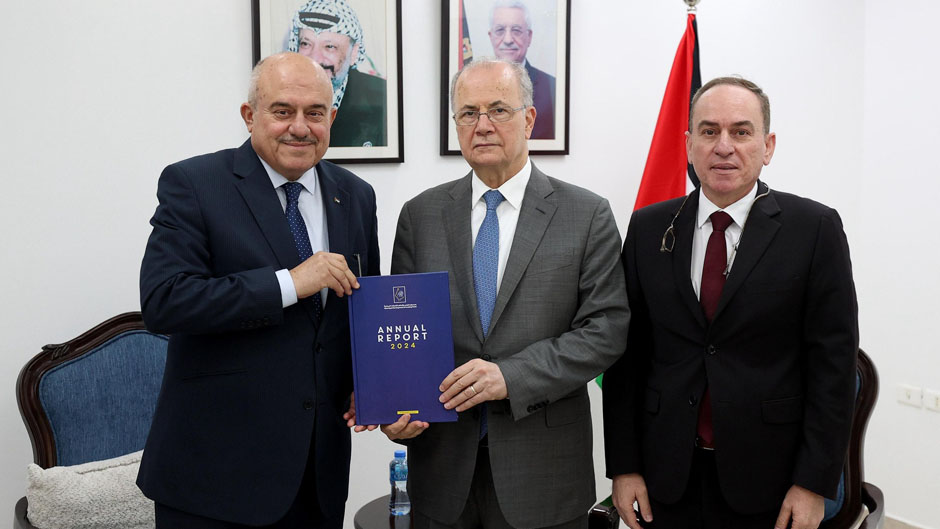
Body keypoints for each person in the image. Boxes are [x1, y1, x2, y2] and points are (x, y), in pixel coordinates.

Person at [381, 57, 630, 529]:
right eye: (468, 113)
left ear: (529, 119)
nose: (482, 125)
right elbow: (403, 335)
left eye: (498, 109)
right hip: (441, 472)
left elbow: (605, 331)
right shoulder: (420, 215)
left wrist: (510, 376)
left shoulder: (586, 214)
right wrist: (396, 407)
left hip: (545, 474)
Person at [137, 52, 380, 529]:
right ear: (250, 116)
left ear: (332, 118)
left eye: (315, 113)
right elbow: (165, 300)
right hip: (214, 480)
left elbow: (358, 311)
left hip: (318, 476)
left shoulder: (355, 195)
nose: (300, 127)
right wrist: (289, 283)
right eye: (282, 111)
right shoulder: (194, 184)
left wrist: (372, 384)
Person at [603, 76, 858, 529]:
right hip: (667, 476)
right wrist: (624, 467)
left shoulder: (814, 229)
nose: (724, 146)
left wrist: (813, 483)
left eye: (741, 131)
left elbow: (833, 368)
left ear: (767, 146)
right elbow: (627, 358)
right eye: (709, 131)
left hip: (772, 480)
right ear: (688, 145)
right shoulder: (647, 228)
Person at [288, 0, 387, 147]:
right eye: (305, 44)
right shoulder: (278, 94)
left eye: (329, 46)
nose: (315, 58)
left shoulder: (383, 97)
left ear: (353, 53)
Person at [488, 0, 555, 140]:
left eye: (516, 30)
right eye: (500, 30)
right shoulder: (476, 86)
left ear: (529, 37)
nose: (508, 39)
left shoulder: (552, 89)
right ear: (491, 36)